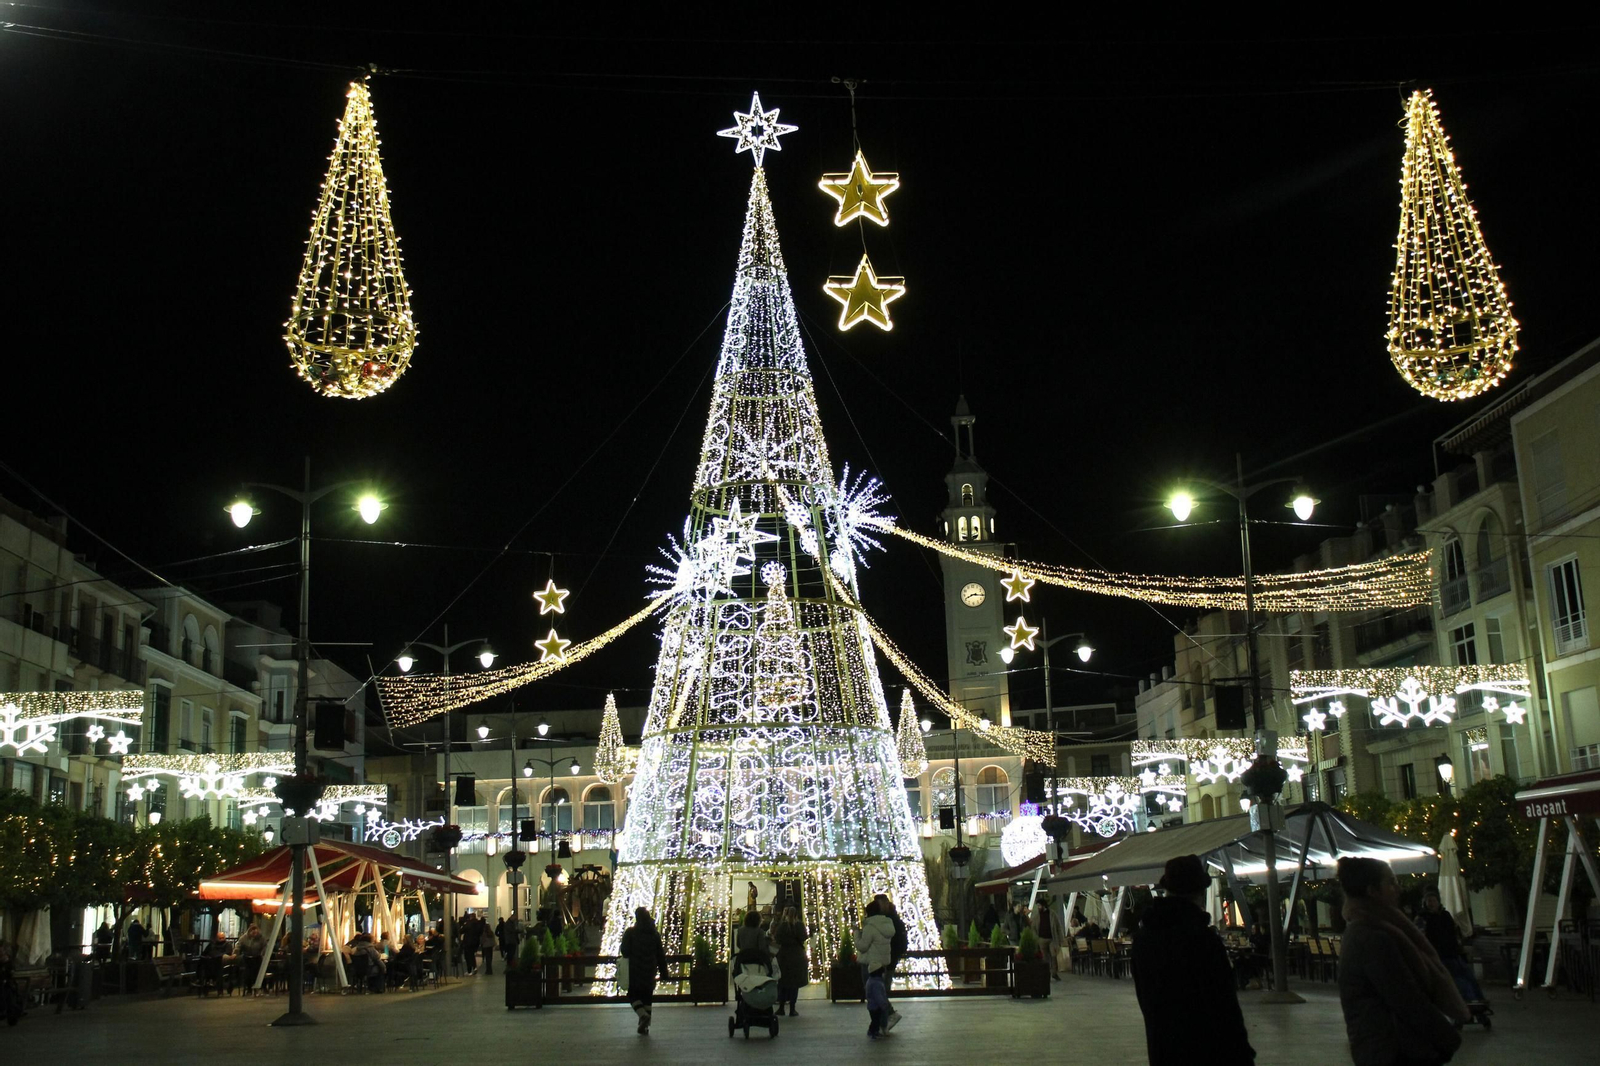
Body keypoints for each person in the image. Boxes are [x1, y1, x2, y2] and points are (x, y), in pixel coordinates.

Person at [1336, 857, 1468, 1066]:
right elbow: (1406, 998)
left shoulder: (1377, 929)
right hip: (1394, 1050)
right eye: (1391, 882)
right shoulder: (1373, 937)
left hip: (1386, 1048)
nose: (1398, 888)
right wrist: (1447, 1038)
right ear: (1372, 891)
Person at [1131, 855, 1255, 1066]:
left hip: (1162, 1051)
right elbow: (1224, 1007)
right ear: (1199, 892)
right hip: (1207, 1052)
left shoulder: (1143, 939)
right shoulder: (1202, 939)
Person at [1417, 887, 1486, 1006]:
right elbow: (1420, 936)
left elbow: (1455, 932)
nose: (1431, 903)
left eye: (1433, 900)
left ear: (1438, 902)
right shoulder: (1423, 918)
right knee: (1457, 977)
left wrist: (1459, 946)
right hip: (1437, 954)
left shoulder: (1445, 915)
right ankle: (1469, 1000)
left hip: (1452, 952)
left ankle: (1478, 999)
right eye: (1429, 901)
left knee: (1467, 975)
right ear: (1425, 903)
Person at [619, 907, 669, 1036]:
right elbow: (660, 955)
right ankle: (645, 1026)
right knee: (647, 998)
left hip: (635, 970)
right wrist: (664, 972)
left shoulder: (631, 933)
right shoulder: (654, 933)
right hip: (650, 970)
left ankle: (642, 1015)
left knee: (633, 995)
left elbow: (624, 951)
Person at [857, 902, 897, 1038]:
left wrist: (856, 934)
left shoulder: (870, 927)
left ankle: (877, 1024)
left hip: (871, 965)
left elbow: (862, 946)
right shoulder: (888, 924)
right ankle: (884, 1023)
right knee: (881, 994)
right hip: (883, 964)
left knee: (872, 995)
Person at [773, 905, 810, 1017]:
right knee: (795, 984)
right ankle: (792, 1008)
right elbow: (804, 937)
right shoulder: (799, 925)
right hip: (797, 956)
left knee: (783, 982)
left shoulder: (782, 926)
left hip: (784, 956)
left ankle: (781, 1007)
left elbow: (777, 938)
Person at [1034, 901, 1059, 981]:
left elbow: (1058, 926)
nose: (1038, 907)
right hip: (1042, 939)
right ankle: (1046, 973)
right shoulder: (1037, 915)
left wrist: (1060, 939)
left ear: (1043, 905)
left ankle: (1054, 973)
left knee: (1053, 955)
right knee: (1045, 958)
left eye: (1039, 905)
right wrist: (1037, 938)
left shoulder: (1052, 914)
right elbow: (1033, 927)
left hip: (1052, 938)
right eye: (1037, 905)